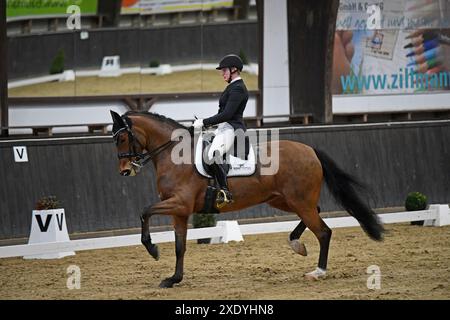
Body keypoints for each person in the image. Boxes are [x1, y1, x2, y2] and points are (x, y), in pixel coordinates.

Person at [192, 54, 249, 206]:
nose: (222, 73)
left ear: (234, 69)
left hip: (232, 128)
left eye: (224, 70)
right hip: (224, 127)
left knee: (212, 154)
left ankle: (225, 191)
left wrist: (204, 121)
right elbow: (221, 114)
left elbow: (227, 114)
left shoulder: (238, 88)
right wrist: (206, 124)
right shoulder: (231, 87)